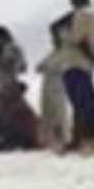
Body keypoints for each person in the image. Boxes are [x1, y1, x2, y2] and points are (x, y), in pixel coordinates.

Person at [53, 0, 94, 142]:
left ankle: (83, 138)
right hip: (88, 65)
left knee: (80, 103)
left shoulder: (80, 15)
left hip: (74, 62)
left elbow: (77, 39)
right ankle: (87, 137)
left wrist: (61, 35)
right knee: (88, 101)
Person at [34, 19, 73, 150]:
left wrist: (48, 67)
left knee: (59, 113)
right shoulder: (53, 52)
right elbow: (39, 66)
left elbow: (61, 66)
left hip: (58, 84)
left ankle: (64, 139)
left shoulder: (67, 51)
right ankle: (49, 140)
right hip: (48, 84)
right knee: (48, 111)